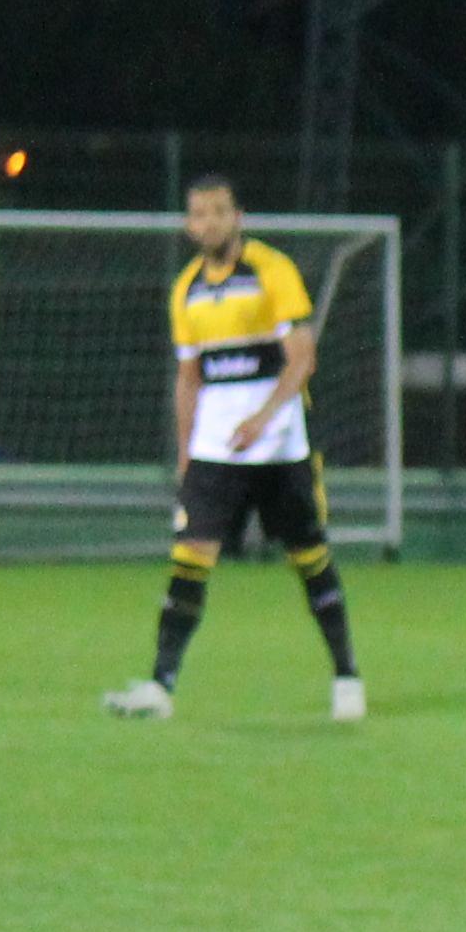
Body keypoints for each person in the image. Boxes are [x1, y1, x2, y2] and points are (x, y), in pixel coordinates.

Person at [104, 176, 365, 724]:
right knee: (188, 560)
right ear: (189, 225)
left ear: (238, 217)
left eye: (220, 212)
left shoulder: (271, 271)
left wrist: (261, 419)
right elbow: (189, 379)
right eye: (200, 214)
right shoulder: (186, 290)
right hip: (214, 454)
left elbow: (302, 358)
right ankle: (160, 686)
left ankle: (346, 676)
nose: (211, 223)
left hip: (279, 449)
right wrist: (186, 455)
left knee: (309, 559)